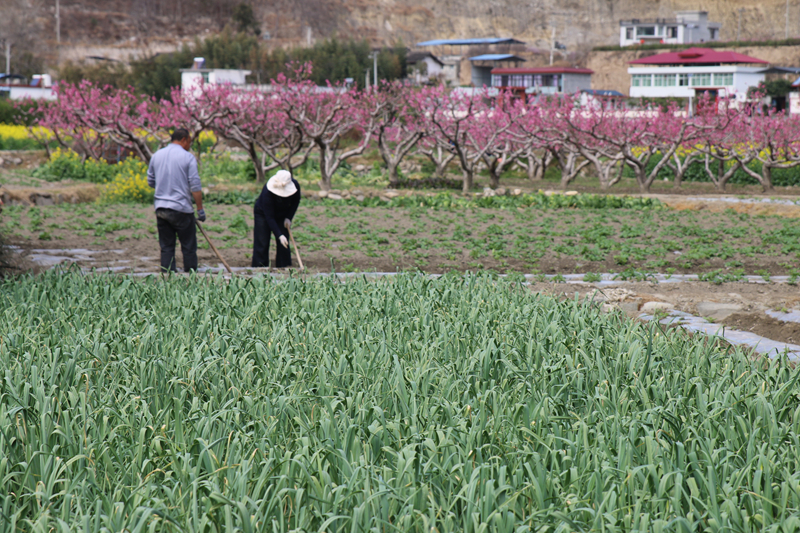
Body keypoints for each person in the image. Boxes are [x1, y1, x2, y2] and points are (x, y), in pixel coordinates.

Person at [147, 128, 205, 273]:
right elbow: (195, 185)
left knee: (166, 247)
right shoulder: (188, 157)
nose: (189, 146)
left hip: (161, 208)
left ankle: (167, 277)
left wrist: (163, 188)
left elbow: (150, 181)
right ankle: (191, 276)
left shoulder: (156, 156)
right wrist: (200, 209)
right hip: (182, 209)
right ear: (184, 139)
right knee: (188, 246)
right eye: (189, 142)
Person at [252, 169, 301, 268]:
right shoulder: (267, 191)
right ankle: (260, 266)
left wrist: (288, 218)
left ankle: (284, 266)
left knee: (284, 242)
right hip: (263, 214)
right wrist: (279, 235)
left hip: (283, 214)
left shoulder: (295, 186)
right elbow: (269, 217)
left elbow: (295, 202)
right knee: (262, 240)